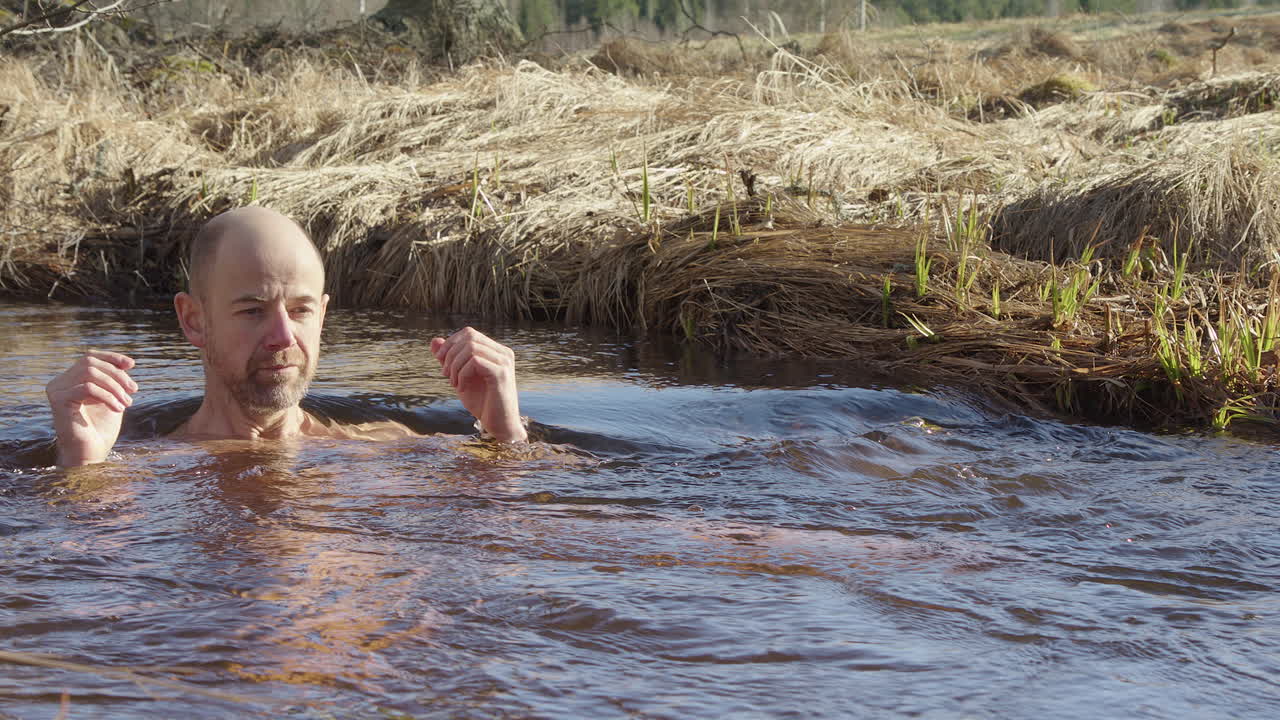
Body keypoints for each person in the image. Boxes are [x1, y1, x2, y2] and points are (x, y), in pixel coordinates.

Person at [44, 206, 527, 468]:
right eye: (252, 310)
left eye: (300, 310)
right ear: (194, 320)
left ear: (322, 316)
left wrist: (502, 431)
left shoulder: (385, 448)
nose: (282, 336)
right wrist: (80, 464)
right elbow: (83, 579)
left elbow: (512, 546)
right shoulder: (142, 468)